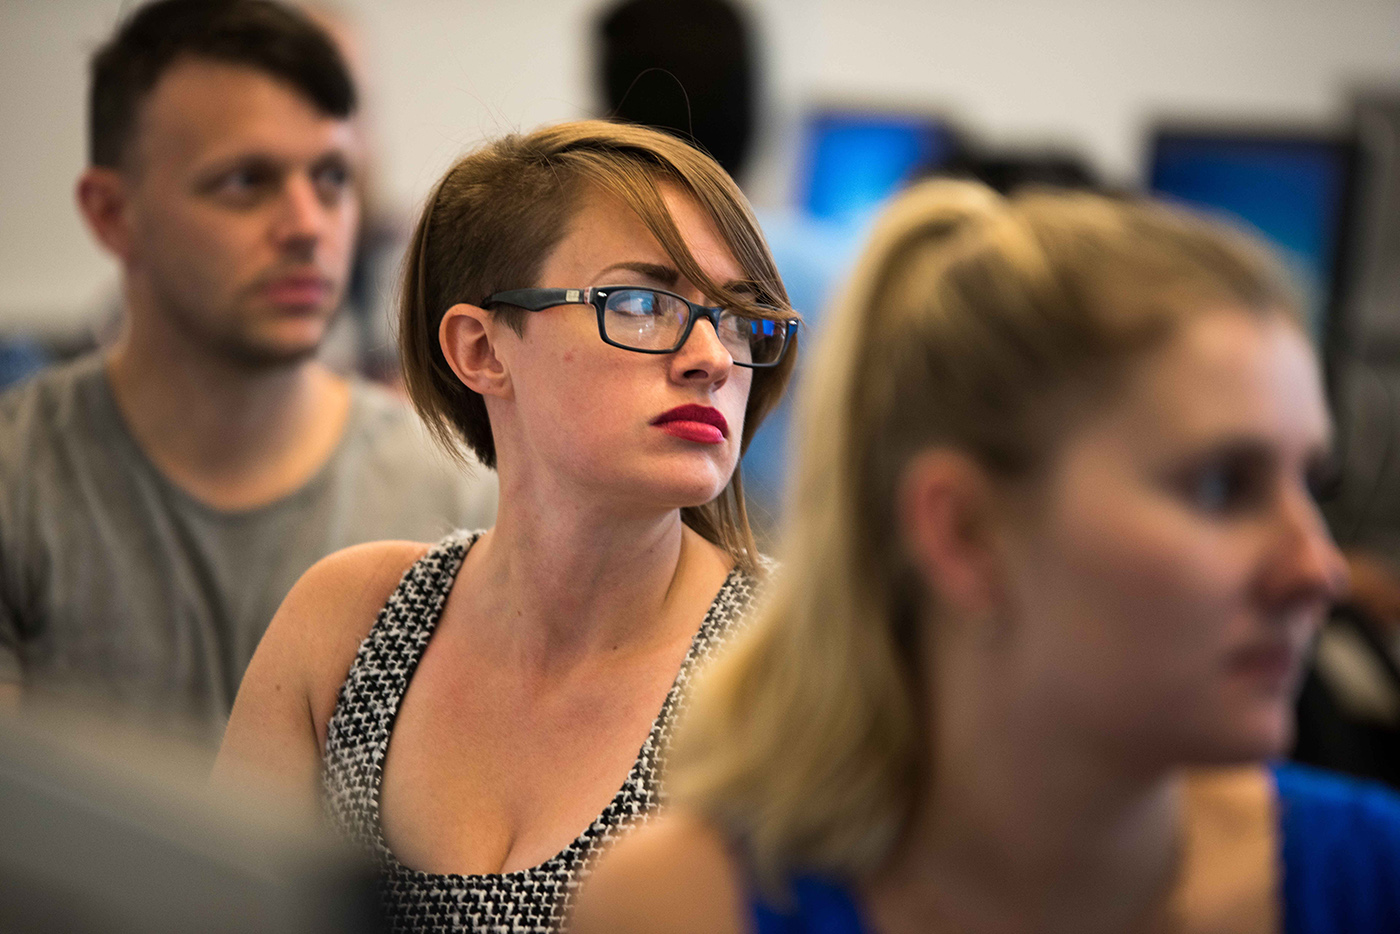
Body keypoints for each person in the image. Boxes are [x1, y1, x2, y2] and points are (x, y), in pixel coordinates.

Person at [573, 182, 1400, 934]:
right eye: (1222, 487)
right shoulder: (682, 908)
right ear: (964, 531)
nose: (1317, 570)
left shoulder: (1372, 877)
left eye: (1309, 485)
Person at [214, 120, 800, 932]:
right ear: (482, 350)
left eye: (737, 315)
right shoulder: (343, 627)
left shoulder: (798, 666)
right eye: (640, 302)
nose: (710, 355)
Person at [0, 0, 496, 740]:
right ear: (112, 213)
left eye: (332, 178)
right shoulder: (18, 483)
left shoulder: (459, 502)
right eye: (245, 182)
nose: (307, 224)